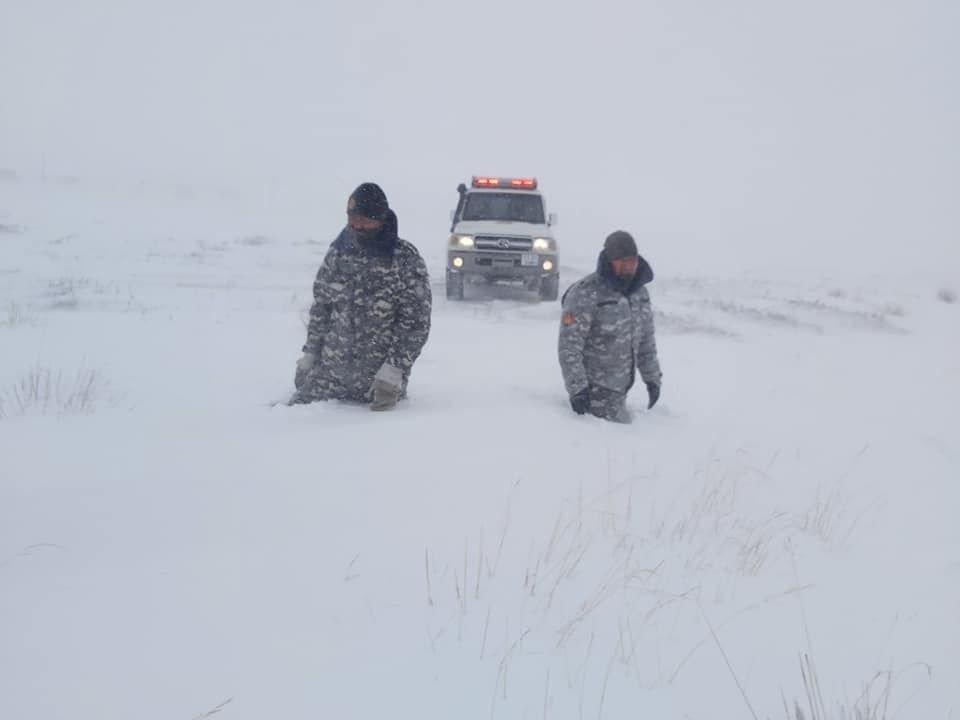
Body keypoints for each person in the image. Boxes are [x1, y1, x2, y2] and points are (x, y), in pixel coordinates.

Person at [291, 182, 432, 411]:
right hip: (329, 376)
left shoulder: (405, 259)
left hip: (377, 382)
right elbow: (322, 308)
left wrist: (394, 370)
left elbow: (416, 323)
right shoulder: (339, 252)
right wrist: (310, 354)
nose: (357, 225)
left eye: (364, 219)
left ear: (380, 218)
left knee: (368, 438)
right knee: (288, 418)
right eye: (352, 218)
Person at [557, 230, 662, 423]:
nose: (628, 267)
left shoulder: (640, 294)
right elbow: (569, 346)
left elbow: (646, 341)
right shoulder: (585, 293)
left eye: (632, 261)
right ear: (609, 260)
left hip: (621, 392)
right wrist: (578, 390)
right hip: (593, 395)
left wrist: (652, 379)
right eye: (621, 261)